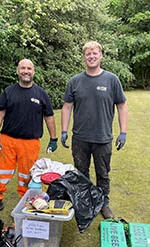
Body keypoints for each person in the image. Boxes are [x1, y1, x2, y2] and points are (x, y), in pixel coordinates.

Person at [61, 41, 128, 219]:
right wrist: (64, 130)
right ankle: (84, 201)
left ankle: (103, 203)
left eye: (94, 53)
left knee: (103, 173)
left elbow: (122, 106)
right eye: (88, 54)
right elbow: (67, 107)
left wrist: (123, 131)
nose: (91, 57)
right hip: (80, 138)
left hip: (103, 137)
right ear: (84, 58)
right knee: (81, 171)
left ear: (101, 56)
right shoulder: (75, 81)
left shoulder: (111, 80)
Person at [0, 58, 58, 218]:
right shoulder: (8, 92)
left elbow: (49, 117)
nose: (26, 71)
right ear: (18, 71)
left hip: (30, 143)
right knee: (1, 174)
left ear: (33, 72)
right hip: (7, 140)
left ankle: (27, 202)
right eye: (23, 68)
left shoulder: (41, 94)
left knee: (28, 176)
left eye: (29, 69)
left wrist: (53, 139)